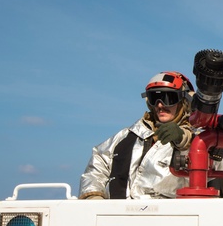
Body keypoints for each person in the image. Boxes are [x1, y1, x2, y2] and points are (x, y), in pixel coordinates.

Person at [79, 71, 196, 200]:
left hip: (172, 216)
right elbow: (99, 160)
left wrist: (186, 139)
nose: (160, 105)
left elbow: (214, 169)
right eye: (154, 98)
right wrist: (93, 194)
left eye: (168, 98)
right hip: (119, 215)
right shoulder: (127, 136)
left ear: (185, 102)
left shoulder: (201, 139)